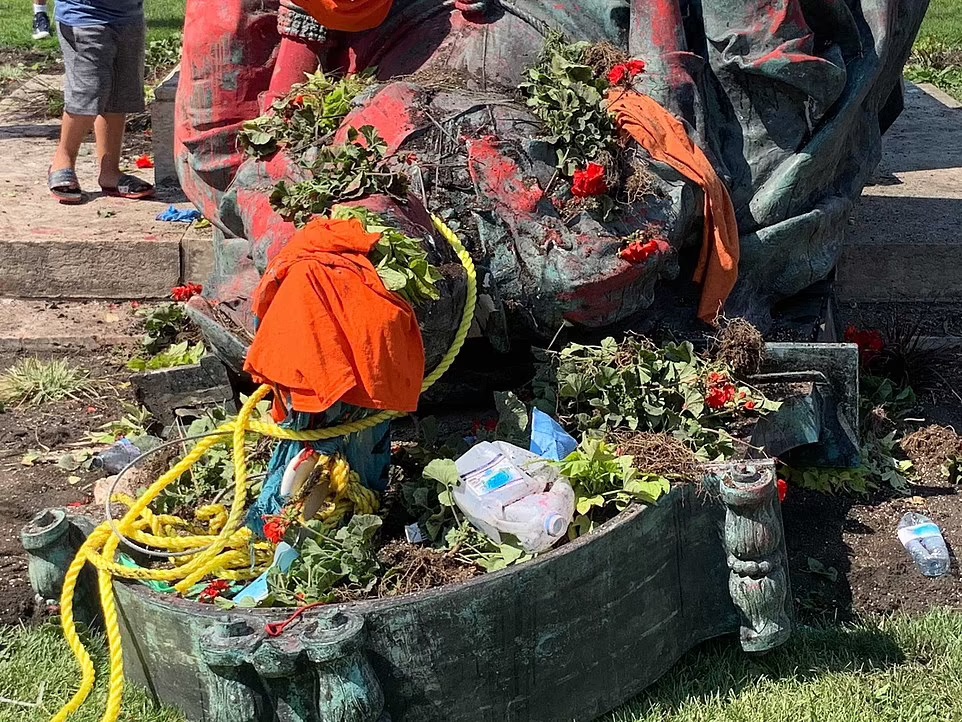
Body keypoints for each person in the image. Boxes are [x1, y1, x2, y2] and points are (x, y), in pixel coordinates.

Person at [47, 0, 155, 204]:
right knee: (87, 92)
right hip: (83, 16)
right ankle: (63, 161)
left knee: (118, 94)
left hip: (128, 14)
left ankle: (110, 173)